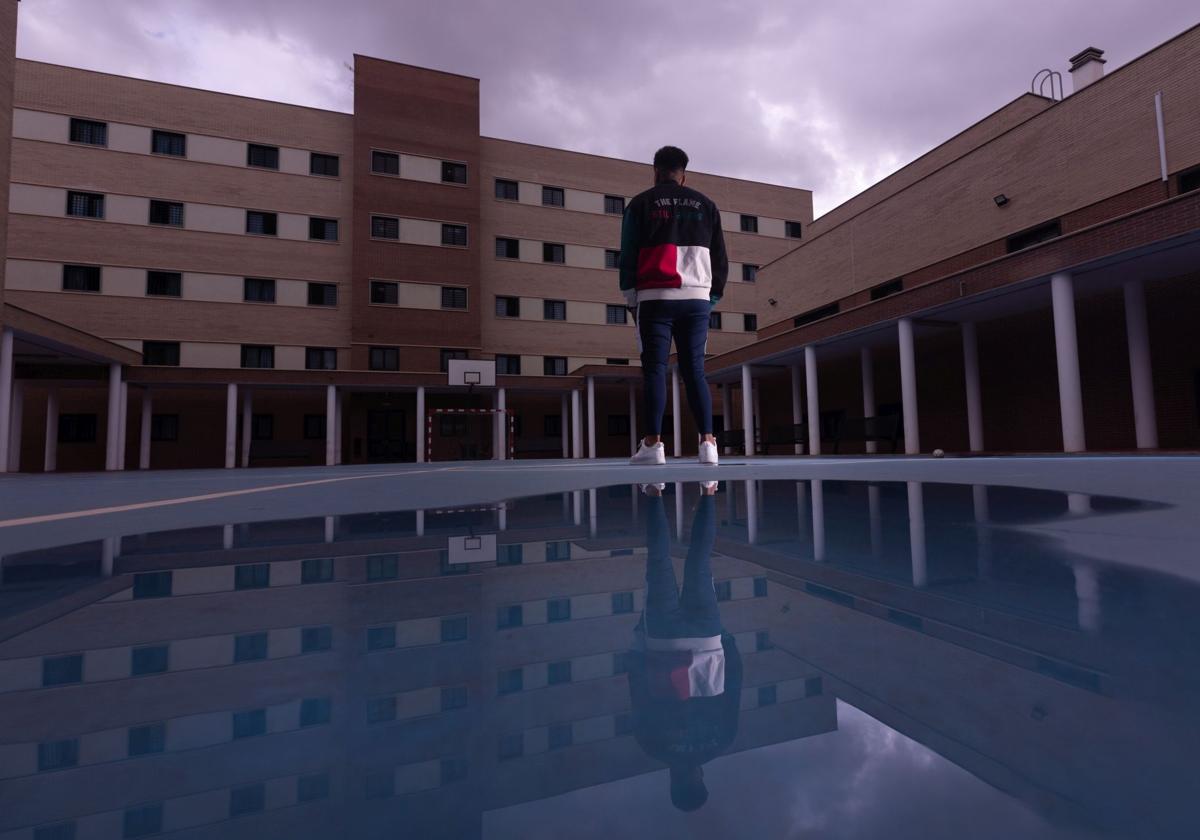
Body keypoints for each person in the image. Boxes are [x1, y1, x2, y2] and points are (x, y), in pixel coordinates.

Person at [626, 482, 743, 812]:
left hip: (707, 640)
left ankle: (708, 490)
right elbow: (637, 687)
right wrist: (639, 639)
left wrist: (724, 639)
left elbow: (734, 685)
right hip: (663, 642)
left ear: (701, 780)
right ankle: (654, 492)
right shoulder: (652, 745)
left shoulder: (721, 741)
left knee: (700, 560)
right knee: (658, 560)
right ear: (673, 784)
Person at [620, 146, 729, 466]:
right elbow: (720, 258)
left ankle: (653, 446)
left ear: (655, 171)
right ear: (684, 175)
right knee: (695, 370)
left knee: (654, 369)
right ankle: (708, 443)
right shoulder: (706, 205)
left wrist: (631, 299)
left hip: (655, 298)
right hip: (696, 299)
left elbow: (627, 255)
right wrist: (712, 298)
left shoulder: (640, 204)